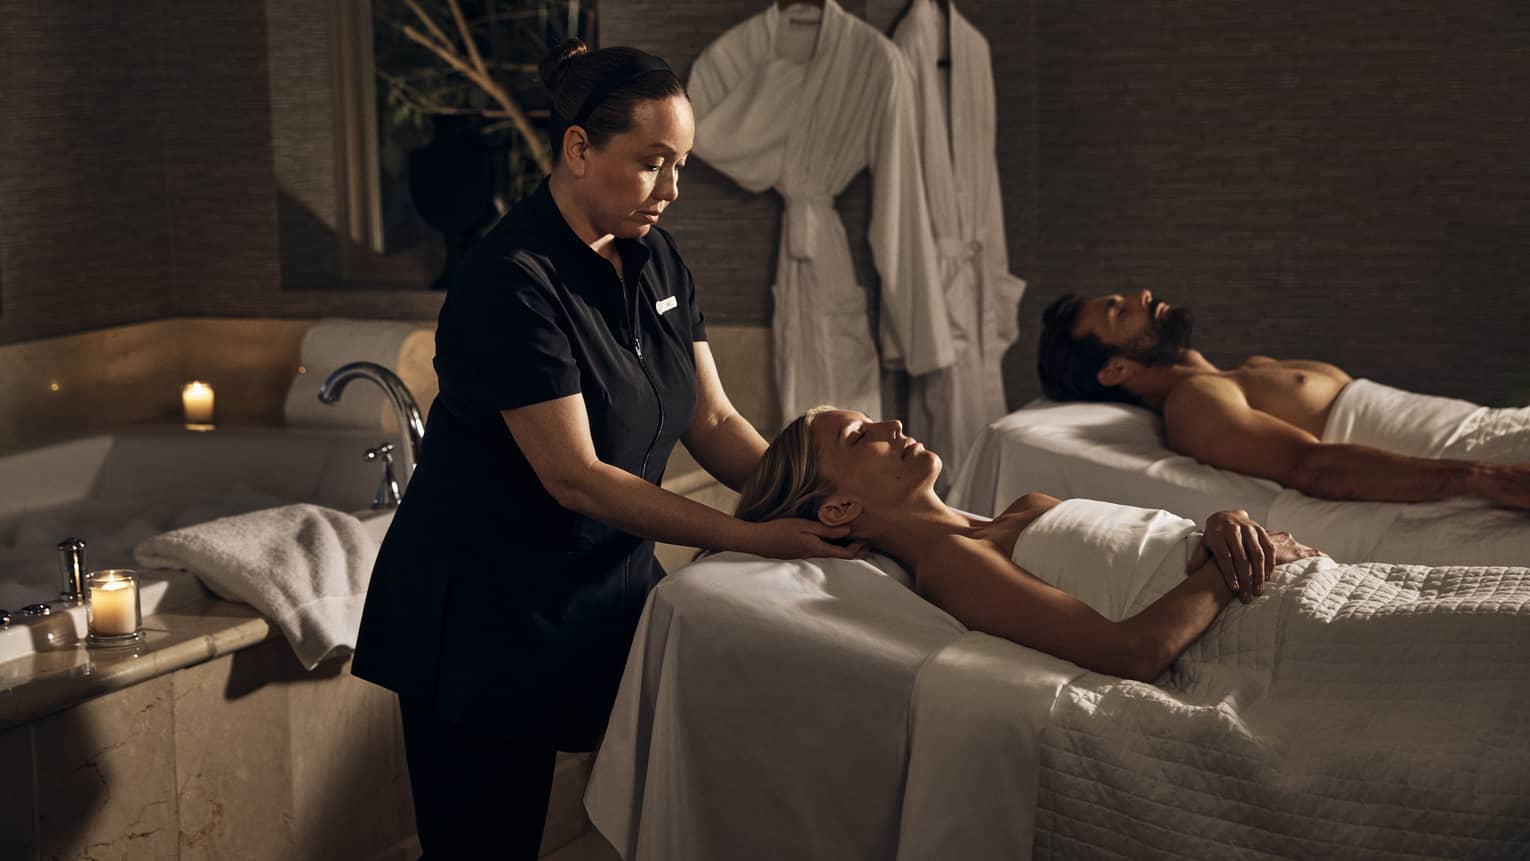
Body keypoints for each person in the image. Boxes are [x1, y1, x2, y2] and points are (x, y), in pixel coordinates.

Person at [349, 40, 864, 860]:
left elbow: (717, 419)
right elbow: (577, 477)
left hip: (603, 595)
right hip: (479, 618)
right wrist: (757, 533)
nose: (670, 189)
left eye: (681, 165)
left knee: (688, 795)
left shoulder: (654, 253)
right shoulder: (510, 279)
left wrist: (826, 497)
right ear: (579, 148)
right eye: (653, 163)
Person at [733, 407, 1325, 682]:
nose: (894, 427)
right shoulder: (951, 565)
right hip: (1273, 622)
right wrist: (1229, 566)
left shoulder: (1026, 509)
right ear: (839, 509)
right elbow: (1133, 653)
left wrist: (1227, 520)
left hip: (1301, 580)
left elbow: (1168, 547)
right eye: (860, 438)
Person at [1036, 290, 1530, 508]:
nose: (1141, 295)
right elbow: (1310, 467)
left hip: (1493, 429)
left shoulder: (1242, 370)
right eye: (1119, 312)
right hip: (1485, 461)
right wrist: (1479, 477)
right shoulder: (1194, 401)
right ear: (1116, 369)